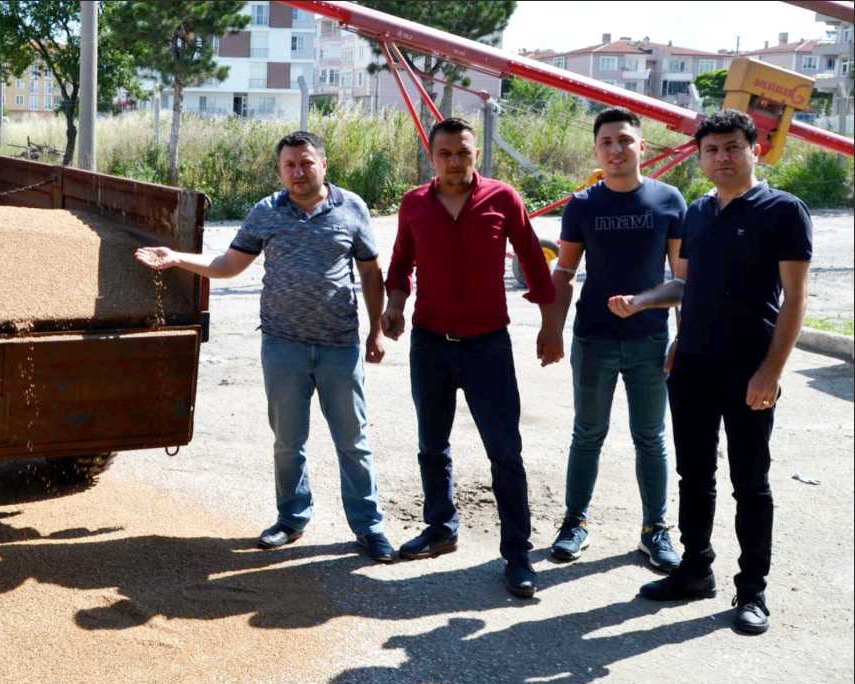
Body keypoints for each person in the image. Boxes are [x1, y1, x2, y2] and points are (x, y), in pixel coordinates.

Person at [135, 131, 396, 562]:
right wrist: (179, 258)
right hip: (283, 347)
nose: (298, 171)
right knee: (288, 442)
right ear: (280, 171)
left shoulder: (352, 208)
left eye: (306, 163)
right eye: (289, 165)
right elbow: (228, 265)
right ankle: (292, 518)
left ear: (323, 165)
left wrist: (377, 330)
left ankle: (369, 527)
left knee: (353, 441)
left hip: (338, 347)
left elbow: (371, 272)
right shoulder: (266, 212)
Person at [611, 109, 811, 636]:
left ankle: (752, 591)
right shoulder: (698, 213)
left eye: (732, 147)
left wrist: (770, 372)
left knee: (751, 482)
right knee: (693, 475)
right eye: (712, 150)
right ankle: (695, 571)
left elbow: (794, 302)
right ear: (699, 159)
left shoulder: (783, 211)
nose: (722, 157)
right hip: (693, 365)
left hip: (749, 367)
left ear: (755, 150)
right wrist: (645, 303)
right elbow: (686, 287)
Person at [382, 117, 556, 598]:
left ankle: (518, 555)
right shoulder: (414, 203)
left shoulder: (503, 198)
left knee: (505, 450)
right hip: (430, 342)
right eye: (445, 154)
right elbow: (400, 262)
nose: (455, 161)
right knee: (431, 444)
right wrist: (394, 305)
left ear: (476, 153)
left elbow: (534, 262)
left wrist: (551, 325)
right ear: (431, 157)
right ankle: (441, 528)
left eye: (463, 152)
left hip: (487, 346)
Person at [537, 108, 685, 571]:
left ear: (642, 146)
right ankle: (575, 522)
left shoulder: (669, 201)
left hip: (649, 341)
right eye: (607, 142)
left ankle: (655, 530)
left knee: (651, 437)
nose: (616, 149)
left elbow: (683, 281)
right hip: (594, 340)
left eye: (625, 140)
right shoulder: (582, 205)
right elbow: (564, 271)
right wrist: (552, 329)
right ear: (596, 149)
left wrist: (664, 321)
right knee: (588, 434)